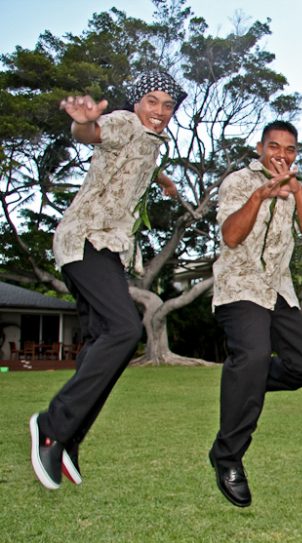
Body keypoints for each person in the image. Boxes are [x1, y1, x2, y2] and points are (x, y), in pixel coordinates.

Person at [30, 71, 186, 490]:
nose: (160, 112)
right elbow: (96, 133)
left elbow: (139, 168)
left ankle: (69, 438)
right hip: (87, 240)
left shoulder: (152, 144)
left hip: (105, 249)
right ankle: (52, 424)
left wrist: (165, 181)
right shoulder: (125, 122)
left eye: (168, 105)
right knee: (124, 329)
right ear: (137, 102)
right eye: (152, 101)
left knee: (107, 345)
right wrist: (83, 122)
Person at [208, 120, 302, 508]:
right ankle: (228, 458)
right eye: (274, 146)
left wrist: (300, 193)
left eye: (290, 149)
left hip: (278, 289)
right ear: (260, 148)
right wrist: (258, 196)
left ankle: (246, 380)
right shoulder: (239, 181)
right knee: (255, 356)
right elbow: (230, 236)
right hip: (240, 285)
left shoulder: (295, 187)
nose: (282, 155)